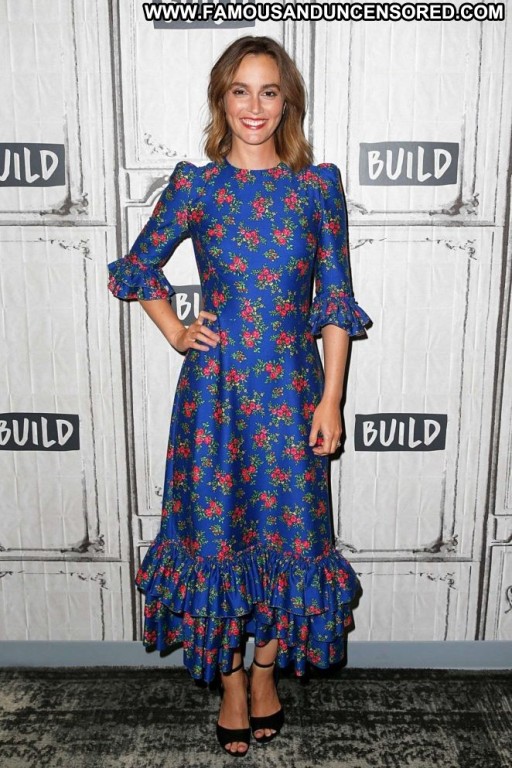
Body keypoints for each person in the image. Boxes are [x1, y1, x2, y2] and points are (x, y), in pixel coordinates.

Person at [108, 35, 371, 757]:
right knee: (215, 540)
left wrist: (332, 400)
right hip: (215, 401)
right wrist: (175, 329)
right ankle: (229, 685)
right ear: (222, 100)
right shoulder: (197, 187)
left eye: (269, 91)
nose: (255, 106)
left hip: (292, 394)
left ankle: (263, 675)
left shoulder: (316, 188)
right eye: (240, 91)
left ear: (288, 102)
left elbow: (336, 302)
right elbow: (137, 267)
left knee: (292, 539)